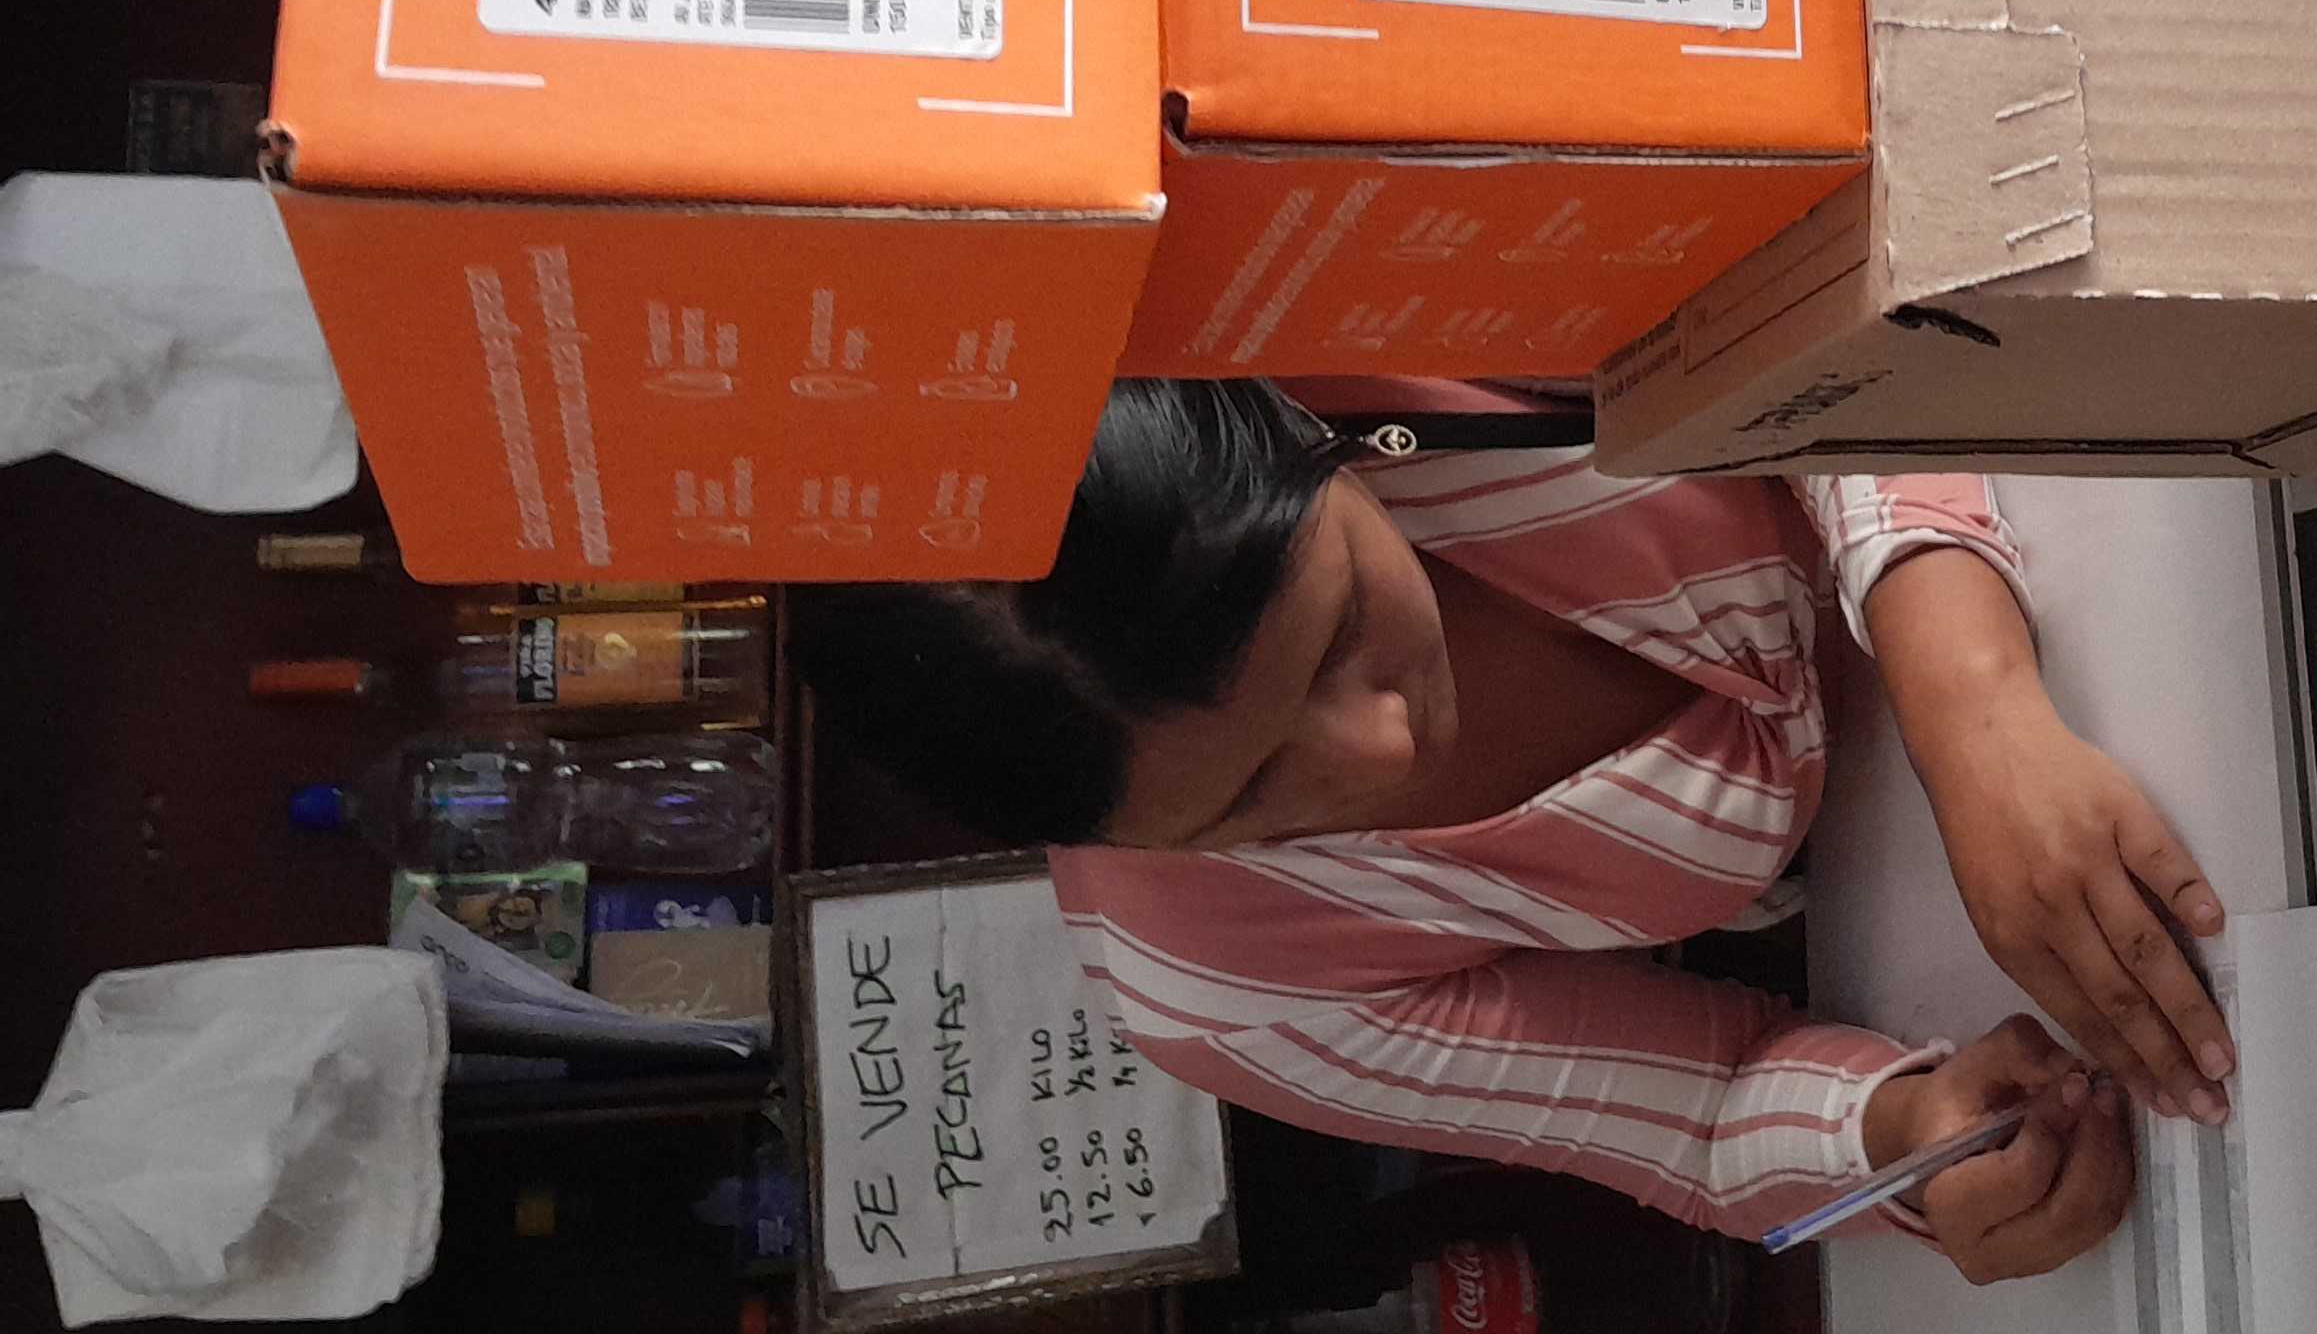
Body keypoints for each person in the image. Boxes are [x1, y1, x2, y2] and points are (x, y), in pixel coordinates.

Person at [791, 378, 2232, 1284]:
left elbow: (1823, 315)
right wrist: (1902, 1134)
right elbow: (1704, 1112)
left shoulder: (1382, 313)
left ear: (1308, 434)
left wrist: (1970, 704)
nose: (1381, 747)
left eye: (1336, 627)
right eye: (1251, 801)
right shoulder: (1208, 983)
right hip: (2025, 863)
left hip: (2113, 465)